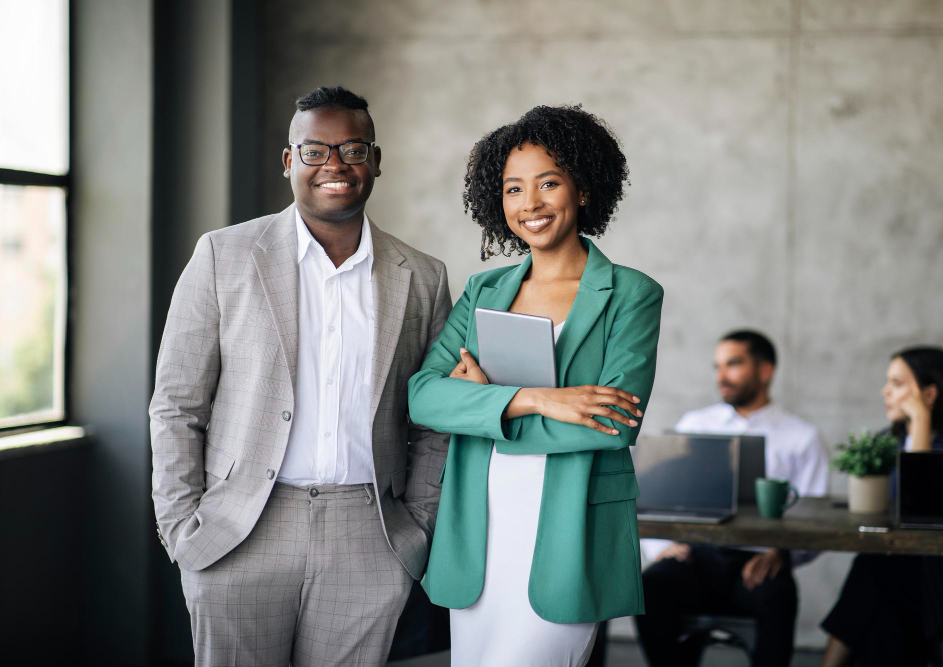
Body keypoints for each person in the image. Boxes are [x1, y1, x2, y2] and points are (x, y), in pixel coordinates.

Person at [149, 86, 452, 666]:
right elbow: (177, 404)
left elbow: (434, 415)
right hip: (239, 529)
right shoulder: (223, 255)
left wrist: (417, 525)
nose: (334, 165)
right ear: (290, 162)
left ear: (376, 161)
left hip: (369, 532)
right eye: (314, 151)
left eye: (352, 149)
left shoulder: (424, 277)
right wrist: (181, 527)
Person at [407, 104, 663, 667]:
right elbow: (423, 396)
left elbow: (613, 424)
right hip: (478, 526)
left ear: (584, 189)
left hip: (570, 531)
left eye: (549, 183)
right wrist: (540, 398)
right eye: (513, 189)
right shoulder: (484, 290)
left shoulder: (631, 294)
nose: (531, 204)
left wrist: (480, 407)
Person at [636, 330, 829, 667]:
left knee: (779, 593)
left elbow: (813, 516)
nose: (721, 376)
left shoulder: (802, 437)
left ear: (765, 370)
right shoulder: (694, 424)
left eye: (733, 364)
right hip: (694, 557)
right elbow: (659, 496)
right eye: (717, 366)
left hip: (756, 563)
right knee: (650, 585)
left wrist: (782, 554)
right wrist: (660, 547)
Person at [821, 346, 943, 667]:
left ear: (929, 394)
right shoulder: (890, 439)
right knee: (882, 596)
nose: (885, 391)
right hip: (900, 575)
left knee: (876, 575)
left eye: (897, 383)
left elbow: (921, 507)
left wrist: (922, 421)